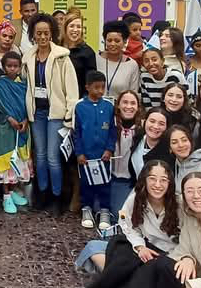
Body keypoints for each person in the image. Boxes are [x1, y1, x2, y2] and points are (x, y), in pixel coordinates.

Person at [74, 160, 180, 288]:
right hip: (143, 249)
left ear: (170, 183)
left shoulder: (179, 204)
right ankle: (123, 284)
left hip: (167, 259)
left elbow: (186, 243)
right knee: (97, 247)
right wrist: (140, 247)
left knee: (133, 266)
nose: (157, 184)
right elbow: (124, 222)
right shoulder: (137, 197)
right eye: (152, 179)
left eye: (163, 180)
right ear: (144, 179)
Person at [23, 13, 78, 216]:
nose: (43, 37)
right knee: (40, 156)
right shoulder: (28, 57)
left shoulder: (62, 57)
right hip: (36, 113)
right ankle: (42, 195)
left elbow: (72, 90)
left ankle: (57, 198)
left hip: (56, 114)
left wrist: (69, 116)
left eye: (46, 33)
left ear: (52, 34)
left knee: (54, 158)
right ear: (33, 35)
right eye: (39, 33)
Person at [0, 52, 32, 215]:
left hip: (21, 129)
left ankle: (13, 192)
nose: (12, 69)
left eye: (15, 66)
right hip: (3, 130)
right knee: (6, 166)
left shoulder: (25, 85)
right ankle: (6, 196)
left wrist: (26, 120)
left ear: (20, 67)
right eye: (9, 66)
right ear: (3, 67)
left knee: (18, 162)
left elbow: (29, 105)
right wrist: (8, 118)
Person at [73, 70, 119, 230]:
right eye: (96, 87)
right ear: (87, 87)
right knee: (86, 183)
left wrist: (109, 149)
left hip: (103, 155)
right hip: (86, 156)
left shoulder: (109, 106)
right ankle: (87, 209)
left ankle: (104, 210)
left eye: (103, 87)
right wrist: (79, 153)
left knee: (104, 183)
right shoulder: (79, 106)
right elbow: (76, 132)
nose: (100, 91)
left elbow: (113, 130)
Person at [110, 90, 144, 215]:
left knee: (118, 213)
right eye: (125, 102)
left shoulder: (142, 129)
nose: (129, 106)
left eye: (133, 103)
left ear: (138, 107)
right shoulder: (110, 124)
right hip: (110, 177)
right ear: (118, 105)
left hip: (128, 181)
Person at [97, 20, 139, 98]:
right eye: (109, 41)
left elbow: (133, 95)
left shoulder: (132, 65)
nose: (112, 44)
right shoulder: (95, 59)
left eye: (117, 41)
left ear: (125, 41)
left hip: (121, 108)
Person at [61, 7, 97, 97]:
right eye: (72, 26)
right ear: (65, 28)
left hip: (78, 99)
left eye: (79, 27)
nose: (75, 30)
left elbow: (91, 83)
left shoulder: (88, 52)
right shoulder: (57, 49)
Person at [127, 108, 171, 179]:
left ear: (166, 127)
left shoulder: (169, 151)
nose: (155, 126)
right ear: (144, 122)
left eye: (161, 124)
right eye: (152, 121)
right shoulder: (138, 138)